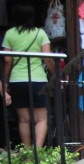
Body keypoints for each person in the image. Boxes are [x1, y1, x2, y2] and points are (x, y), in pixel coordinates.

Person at [2, 4, 54, 147]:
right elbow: (48, 58)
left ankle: (28, 151)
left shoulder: (10, 34)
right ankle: (37, 152)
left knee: (23, 120)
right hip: (38, 80)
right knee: (41, 119)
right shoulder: (40, 33)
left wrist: (5, 80)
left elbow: (7, 60)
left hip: (17, 80)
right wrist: (56, 74)